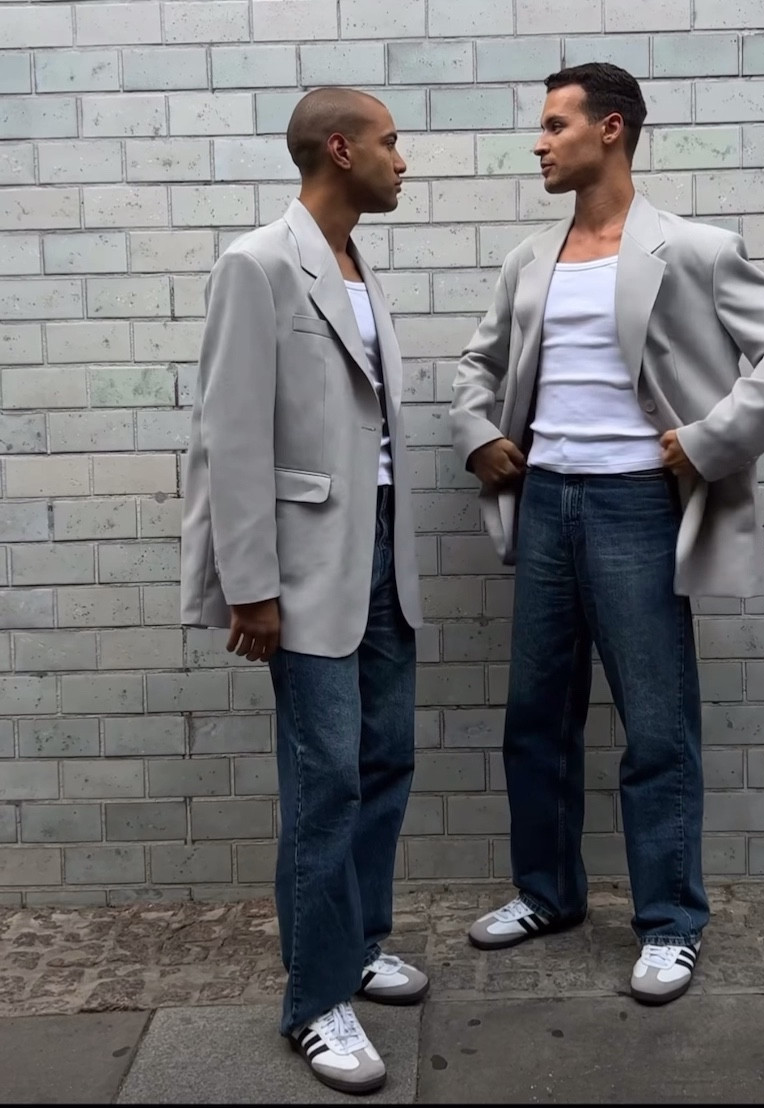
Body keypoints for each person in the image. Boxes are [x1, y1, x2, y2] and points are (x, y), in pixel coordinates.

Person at [448, 62, 764, 1006]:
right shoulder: (532, 257)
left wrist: (705, 442)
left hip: (635, 510)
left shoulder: (692, 249)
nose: (539, 142)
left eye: (554, 125)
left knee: (658, 726)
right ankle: (549, 894)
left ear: (610, 129)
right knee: (536, 718)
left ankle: (669, 922)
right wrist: (481, 434)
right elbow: (477, 363)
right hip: (546, 505)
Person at [179, 87, 426, 1094]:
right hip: (302, 563)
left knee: (382, 758)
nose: (402, 161)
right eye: (391, 143)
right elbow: (229, 432)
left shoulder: (357, 262)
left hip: (379, 551)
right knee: (323, 780)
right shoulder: (258, 262)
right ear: (340, 148)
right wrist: (250, 586)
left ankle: (358, 941)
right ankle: (315, 999)